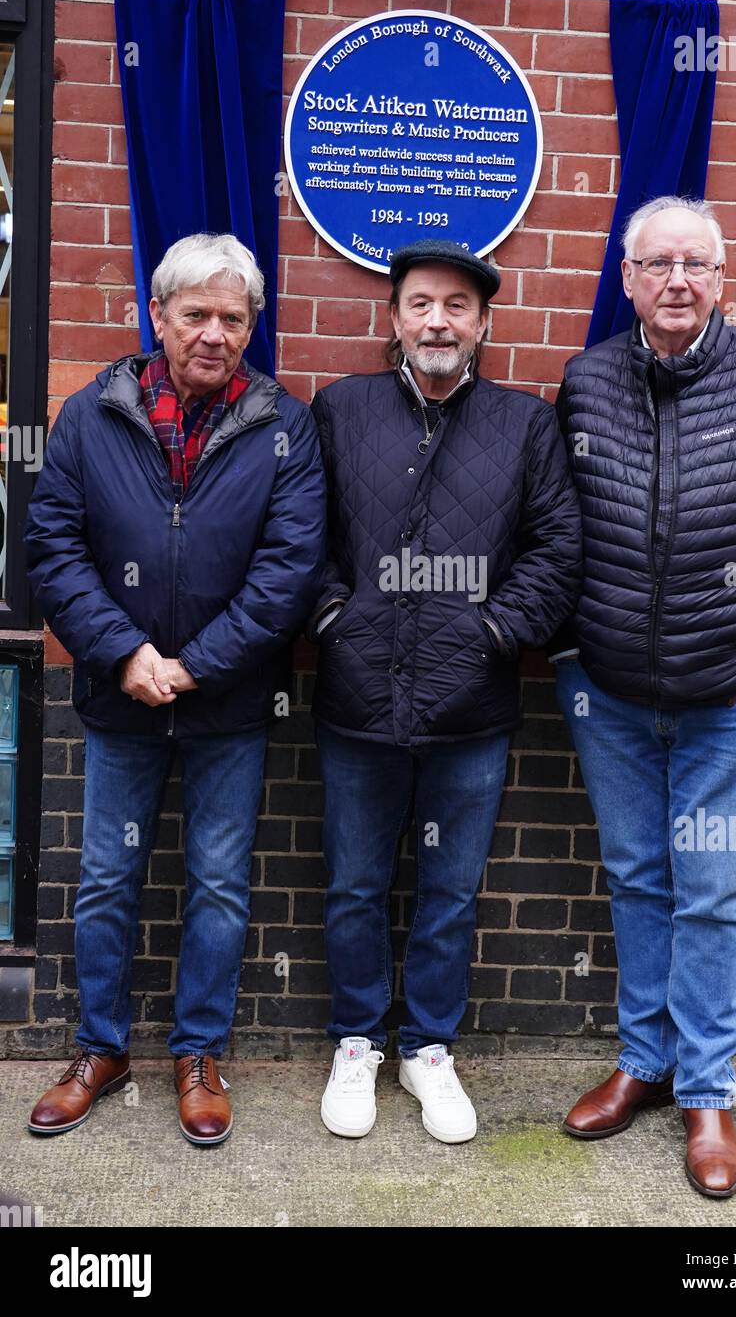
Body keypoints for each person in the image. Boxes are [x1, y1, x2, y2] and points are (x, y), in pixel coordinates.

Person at [553, 195, 736, 1197]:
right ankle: (644, 1061)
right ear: (627, 279)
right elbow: (560, 528)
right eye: (657, 262)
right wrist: (568, 651)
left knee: (711, 891)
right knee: (637, 877)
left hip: (735, 692)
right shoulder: (586, 382)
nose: (677, 279)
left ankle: (708, 1091)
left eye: (696, 263)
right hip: (613, 694)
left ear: (720, 280)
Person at [24, 233, 326, 1145]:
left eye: (233, 318)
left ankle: (199, 1051)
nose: (213, 333)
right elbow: (52, 547)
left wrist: (194, 664)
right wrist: (124, 654)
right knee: (109, 878)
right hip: (121, 701)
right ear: (156, 316)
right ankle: (100, 1049)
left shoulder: (285, 427)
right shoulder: (91, 414)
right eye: (194, 314)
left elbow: (288, 570)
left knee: (221, 886)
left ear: (250, 326)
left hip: (227, 704)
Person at [309, 238, 580, 1143]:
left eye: (456, 306)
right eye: (420, 303)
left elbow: (556, 550)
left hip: (472, 706)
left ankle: (427, 1048)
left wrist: (496, 631)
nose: (437, 320)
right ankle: (355, 1041)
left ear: (482, 323)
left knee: (450, 890)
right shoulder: (341, 411)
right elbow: (301, 540)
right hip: (356, 697)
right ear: (394, 318)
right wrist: (333, 623)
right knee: (353, 884)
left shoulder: (524, 424)